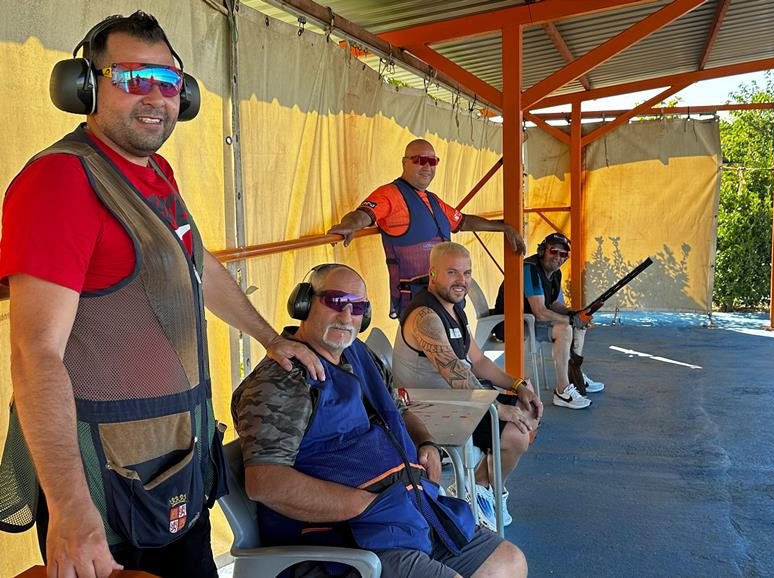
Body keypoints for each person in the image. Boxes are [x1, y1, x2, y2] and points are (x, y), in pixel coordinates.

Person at [0, 12, 323, 578]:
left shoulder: (156, 172)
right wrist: (71, 508)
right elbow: (35, 353)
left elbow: (198, 262)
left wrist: (270, 337)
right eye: (132, 78)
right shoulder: (61, 181)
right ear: (85, 87)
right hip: (104, 478)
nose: (155, 98)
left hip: (173, 458)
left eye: (169, 81)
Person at [232, 263, 527, 578]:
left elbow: (398, 410)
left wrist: (425, 441)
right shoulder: (283, 379)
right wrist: (368, 505)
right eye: (335, 302)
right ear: (304, 303)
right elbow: (266, 483)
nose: (347, 316)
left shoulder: (358, 354)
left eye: (357, 307)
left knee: (508, 561)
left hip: (406, 514)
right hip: (347, 538)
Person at [392, 242, 542, 531]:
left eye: (467, 273)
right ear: (433, 273)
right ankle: (483, 488)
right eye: (452, 272)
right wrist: (496, 407)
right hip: (426, 408)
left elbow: (479, 361)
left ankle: (483, 486)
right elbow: (455, 370)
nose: (461, 280)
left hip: (453, 400)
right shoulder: (425, 317)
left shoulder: (454, 309)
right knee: (516, 433)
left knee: (528, 410)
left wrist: (519, 385)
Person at [327, 139, 527, 317]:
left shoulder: (433, 200)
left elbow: (463, 221)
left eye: (432, 161)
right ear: (404, 162)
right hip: (419, 303)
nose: (427, 167)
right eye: (419, 160)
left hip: (449, 300)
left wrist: (505, 228)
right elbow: (363, 214)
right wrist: (348, 225)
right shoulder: (390, 194)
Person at [493, 233, 604, 410]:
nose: (558, 257)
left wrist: (575, 314)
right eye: (554, 251)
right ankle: (562, 391)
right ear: (543, 250)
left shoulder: (555, 273)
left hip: (527, 322)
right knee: (565, 329)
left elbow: (553, 304)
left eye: (563, 254)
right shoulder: (530, 269)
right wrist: (571, 320)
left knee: (578, 327)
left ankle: (575, 377)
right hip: (508, 325)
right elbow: (540, 312)